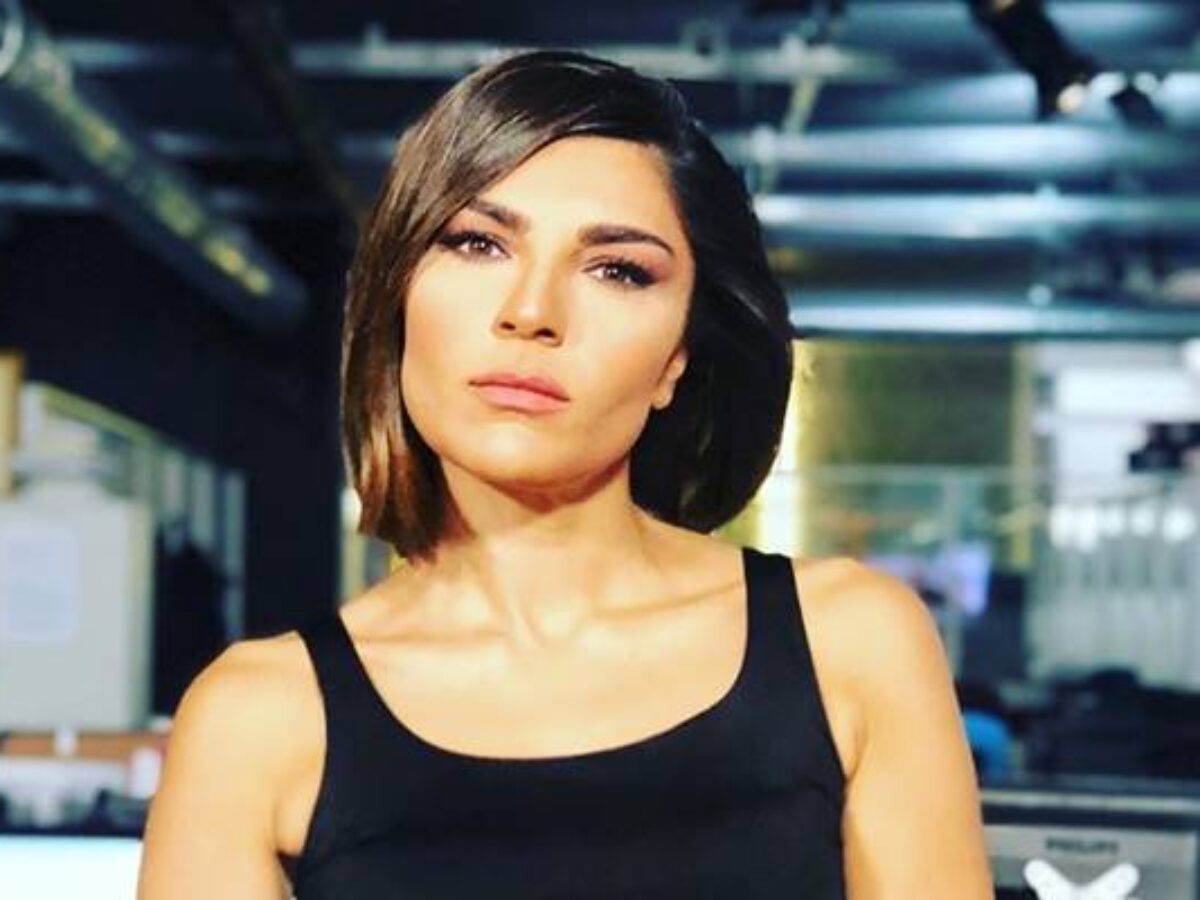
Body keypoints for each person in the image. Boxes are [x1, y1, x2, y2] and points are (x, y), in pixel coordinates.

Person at [137, 49, 994, 899]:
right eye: (478, 243)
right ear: (398, 297)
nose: (532, 312)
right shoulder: (258, 720)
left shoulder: (850, 643)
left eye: (617, 270)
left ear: (677, 359)